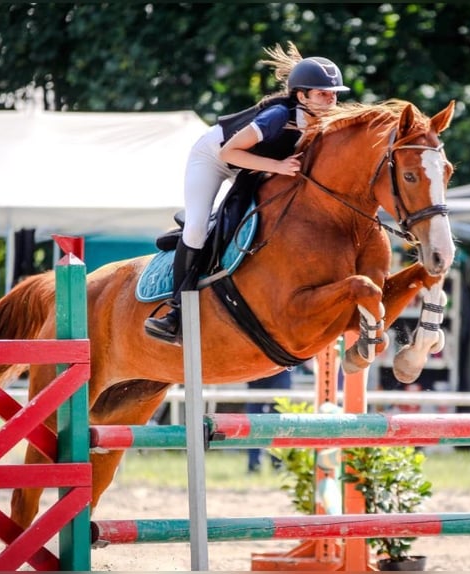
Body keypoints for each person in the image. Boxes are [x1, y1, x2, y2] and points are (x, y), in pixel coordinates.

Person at [145, 43, 349, 343]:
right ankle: (176, 311)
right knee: (199, 227)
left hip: (256, 165)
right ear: (301, 95)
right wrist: (278, 166)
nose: (331, 100)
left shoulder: (324, 121)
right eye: (322, 94)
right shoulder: (278, 116)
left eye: (333, 94)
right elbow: (230, 152)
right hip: (214, 159)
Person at [245, 369, 293, 473]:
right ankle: (254, 465)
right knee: (254, 422)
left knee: (278, 421)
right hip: (257, 371)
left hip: (279, 368)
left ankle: (278, 463)